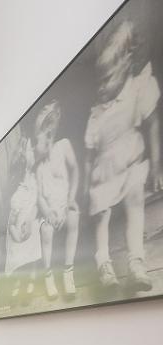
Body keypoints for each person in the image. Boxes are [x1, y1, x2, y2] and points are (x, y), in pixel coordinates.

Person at [84, 19, 161, 292]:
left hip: (130, 165)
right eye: (98, 81)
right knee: (101, 214)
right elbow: (89, 156)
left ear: (126, 66)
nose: (101, 87)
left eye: (107, 79)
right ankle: (103, 262)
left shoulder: (137, 89)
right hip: (104, 175)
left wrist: (157, 165)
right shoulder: (96, 114)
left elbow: (153, 124)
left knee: (135, 201)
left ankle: (136, 260)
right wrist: (85, 187)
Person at [34, 101, 81, 300]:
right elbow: (39, 195)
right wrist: (48, 212)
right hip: (48, 210)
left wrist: (71, 199)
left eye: (49, 134)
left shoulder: (63, 146)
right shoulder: (38, 165)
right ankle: (48, 274)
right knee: (46, 230)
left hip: (64, 204)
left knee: (74, 217)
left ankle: (68, 271)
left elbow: (75, 170)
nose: (46, 141)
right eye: (41, 137)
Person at [4, 135, 42, 303]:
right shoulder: (16, 180)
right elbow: (11, 209)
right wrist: (14, 227)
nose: (33, 151)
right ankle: (18, 280)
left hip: (32, 218)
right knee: (15, 239)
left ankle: (30, 279)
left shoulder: (36, 176)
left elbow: (38, 203)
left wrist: (30, 220)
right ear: (22, 155)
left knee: (33, 234)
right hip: (16, 220)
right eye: (29, 149)